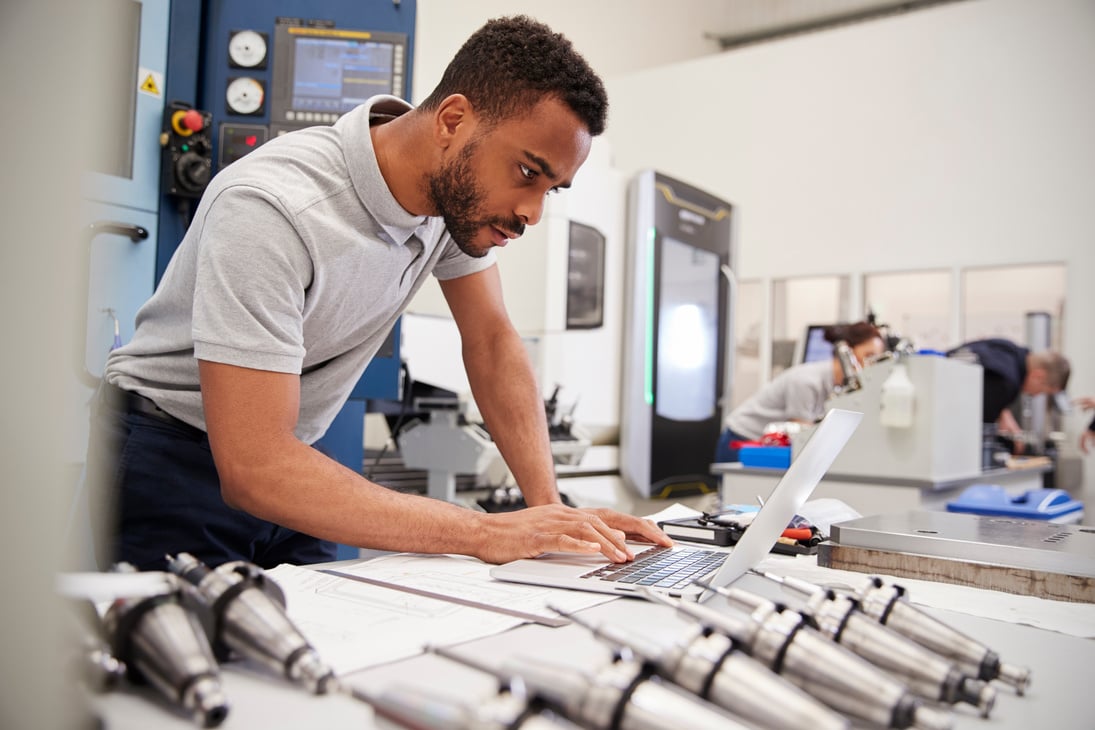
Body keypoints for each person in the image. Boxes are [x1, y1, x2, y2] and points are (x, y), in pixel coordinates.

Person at [86, 15, 671, 572]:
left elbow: (492, 341)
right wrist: (489, 532)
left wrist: (552, 513)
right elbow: (254, 468)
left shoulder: (450, 204)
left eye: (553, 189)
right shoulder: (273, 208)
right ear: (452, 121)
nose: (531, 213)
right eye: (526, 173)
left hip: (293, 463)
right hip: (172, 461)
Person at [715, 322, 886, 462]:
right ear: (846, 352)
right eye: (868, 356)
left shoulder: (841, 384)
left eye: (876, 359)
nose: (871, 364)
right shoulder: (807, 381)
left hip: (767, 446)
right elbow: (802, 433)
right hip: (742, 438)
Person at [945, 338, 1071, 443]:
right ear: (1038, 376)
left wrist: (1001, 411)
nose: (1037, 395)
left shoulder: (1008, 349)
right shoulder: (1007, 382)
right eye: (1043, 391)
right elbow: (980, 437)